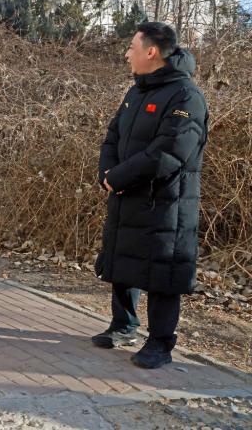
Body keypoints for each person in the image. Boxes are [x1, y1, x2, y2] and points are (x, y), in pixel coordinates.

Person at [93, 21, 208, 369]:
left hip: (166, 204)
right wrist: (108, 174)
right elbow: (112, 136)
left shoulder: (186, 96)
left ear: (152, 52)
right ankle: (123, 325)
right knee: (122, 259)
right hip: (127, 194)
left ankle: (160, 342)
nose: (127, 54)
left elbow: (169, 152)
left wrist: (120, 176)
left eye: (132, 47)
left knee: (162, 272)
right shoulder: (136, 92)